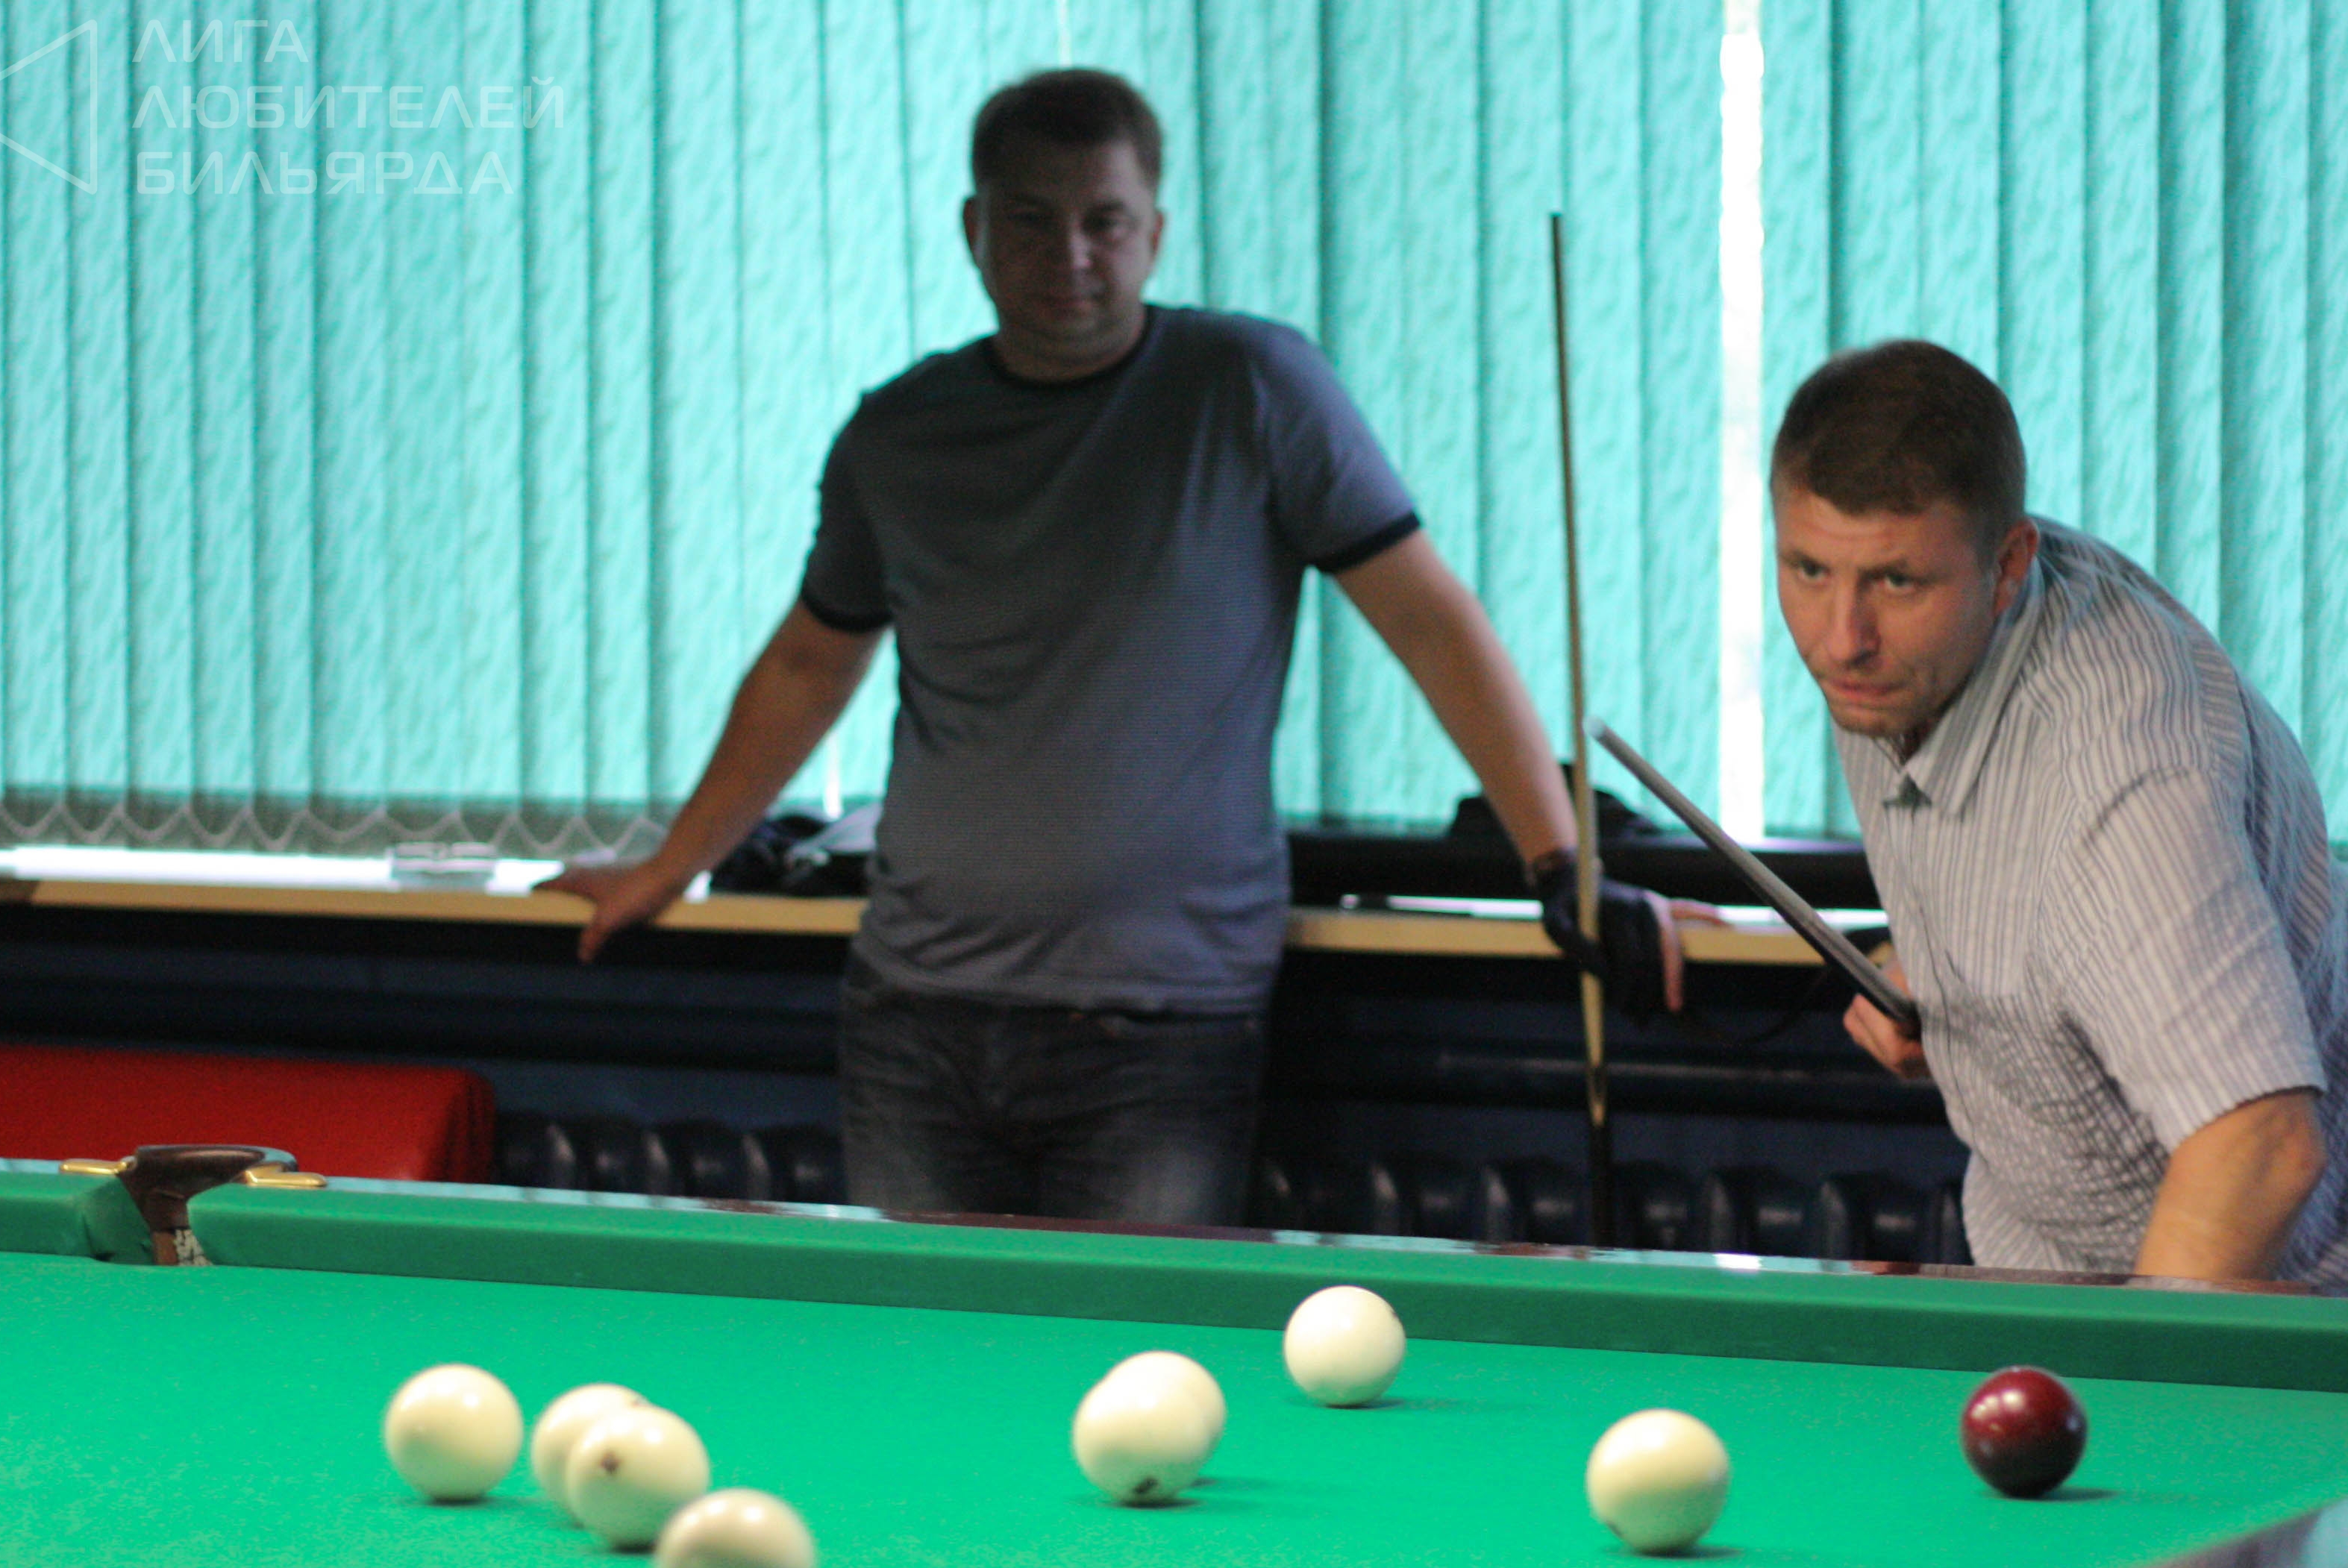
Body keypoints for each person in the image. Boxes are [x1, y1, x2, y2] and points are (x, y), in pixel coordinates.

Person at [545, 69, 1682, 1225]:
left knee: (1135, 1346)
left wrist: (1559, 862)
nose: (1070, 255)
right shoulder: (894, 435)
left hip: (1163, 1027)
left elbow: (1431, 625)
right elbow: (805, 667)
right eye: (1030, 220)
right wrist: (668, 864)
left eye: (1104, 220)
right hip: (914, 1012)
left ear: (1155, 233)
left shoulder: (1251, 389)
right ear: (973, 230)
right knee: (926, 1338)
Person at [1771, 341, 2348, 1285]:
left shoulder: (2122, 780)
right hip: (2056, 1256)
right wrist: (1945, 979)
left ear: (2008, 565)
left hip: (2302, 1278)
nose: (1839, 639)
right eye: (1808, 570)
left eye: (1895, 582)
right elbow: (2025, 886)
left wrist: (2125, 1371)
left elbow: (2259, 1147)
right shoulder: (1903, 659)